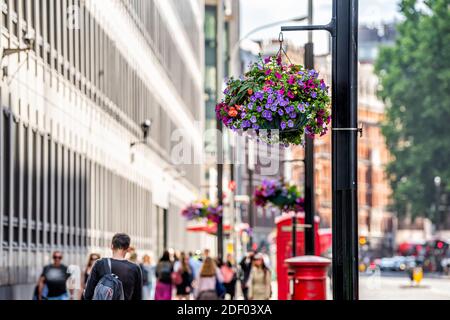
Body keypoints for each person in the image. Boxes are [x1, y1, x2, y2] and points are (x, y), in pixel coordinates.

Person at [83, 233, 143, 300]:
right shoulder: (135, 268)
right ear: (128, 249)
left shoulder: (100, 264)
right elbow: (138, 296)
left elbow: (88, 294)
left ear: (111, 246)